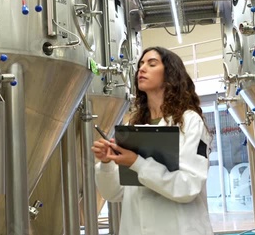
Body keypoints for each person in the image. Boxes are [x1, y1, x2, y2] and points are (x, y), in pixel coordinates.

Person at [91, 46, 213, 235]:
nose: (142, 68)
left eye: (152, 64)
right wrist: (107, 162)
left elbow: (188, 186)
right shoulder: (135, 125)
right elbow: (113, 193)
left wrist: (137, 163)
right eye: (141, 64)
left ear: (170, 74)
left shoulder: (189, 121)